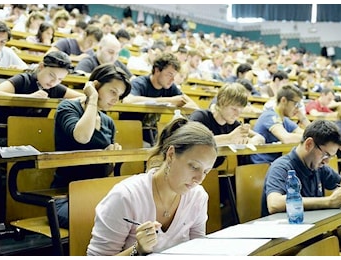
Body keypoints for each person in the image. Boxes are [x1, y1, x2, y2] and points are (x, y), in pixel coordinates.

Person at [87, 118, 218, 255]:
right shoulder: (125, 196)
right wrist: (138, 250)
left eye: (205, 171)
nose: (199, 179)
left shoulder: (198, 196)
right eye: (194, 167)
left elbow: (197, 249)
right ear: (171, 154)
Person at [51, 63, 132, 229]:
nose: (116, 100)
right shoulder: (67, 107)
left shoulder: (108, 122)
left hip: (96, 194)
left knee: (131, 217)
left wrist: (110, 159)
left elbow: (103, 173)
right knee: (108, 221)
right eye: (112, 92)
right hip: (66, 195)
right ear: (95, 85)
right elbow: (82, 137)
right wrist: (92, 98)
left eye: (120, 95)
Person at [0, 51, 84, 163]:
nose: (54, 82)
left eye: (60, 79)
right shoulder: (23, 80)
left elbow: (83, 97)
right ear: (41, 66)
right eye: (51, 75)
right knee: (38, 146)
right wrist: (28, 97)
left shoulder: (55, 88)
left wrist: (61, 101)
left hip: (28, 140)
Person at [261, 120, 341, 217]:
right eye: (326, 155)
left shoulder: (319, 167)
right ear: (309, 144)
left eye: (330, 156)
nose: (327, 161)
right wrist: (328, 202)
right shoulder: (282, 167)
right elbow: (274, 204)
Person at [120, 52, 199, 147]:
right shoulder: (140, 83)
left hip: (152, 136)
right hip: (129, 133)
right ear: (157, 70)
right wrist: (169, 101)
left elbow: (194, 106)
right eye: (169, 75)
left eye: (174, 76)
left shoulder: (170, 87)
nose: (172, 80)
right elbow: (127, 101)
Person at [189, 82, 265, 168]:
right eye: (234, 109)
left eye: (240, 111)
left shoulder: (233, 124)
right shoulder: (200, 116)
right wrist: (229, 138)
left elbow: (260, 138)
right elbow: (191, 141)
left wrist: (250, 142)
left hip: (210, 169)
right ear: (221, 102)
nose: (237, 115)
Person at [252, 85, 310, 164]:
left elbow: (309, 132)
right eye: (295, 104)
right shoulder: (269, 116)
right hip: (261, 165)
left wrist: (303, 118)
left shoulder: (285, 120)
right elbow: (287, 139)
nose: (297, 108)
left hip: (275, 163)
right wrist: (310, 138)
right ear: (283, 100)